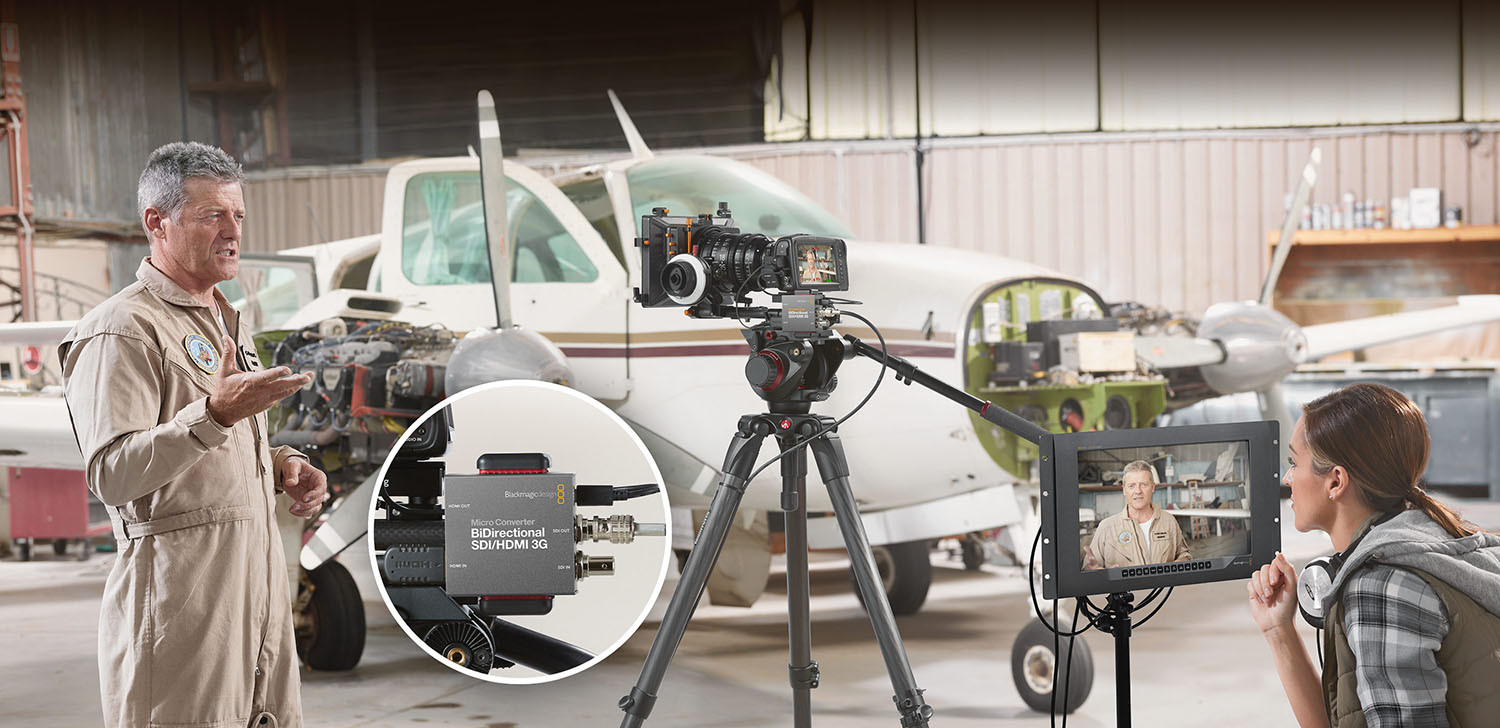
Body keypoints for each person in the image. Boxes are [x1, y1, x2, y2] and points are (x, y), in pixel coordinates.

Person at [59, 142, 326, 728]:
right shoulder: (122, 329)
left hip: (255, 602)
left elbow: (212, 449)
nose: (233, 232)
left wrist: (282, 463)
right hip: (179, 609)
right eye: (212, 216)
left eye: (238, 215)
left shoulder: (225, 321)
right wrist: (214, 415)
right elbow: (111, 474)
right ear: (157, 223)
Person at [1247, 382, 1500, 727]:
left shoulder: (1382, 588)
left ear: (1336, 481)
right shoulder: (1439, 542)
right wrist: (1279, 631)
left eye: (1294, 462)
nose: (1288, 478)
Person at [1083, 460, 1191, 569]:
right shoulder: (1107, 528)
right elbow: (1088, 569)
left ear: (1153, 487)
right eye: (1131, 486)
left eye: (1144, 485)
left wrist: (1176, 565)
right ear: (1124, 490)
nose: (1138, 491)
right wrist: (1100, 572)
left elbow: (1184, 555)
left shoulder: (1168, 521)